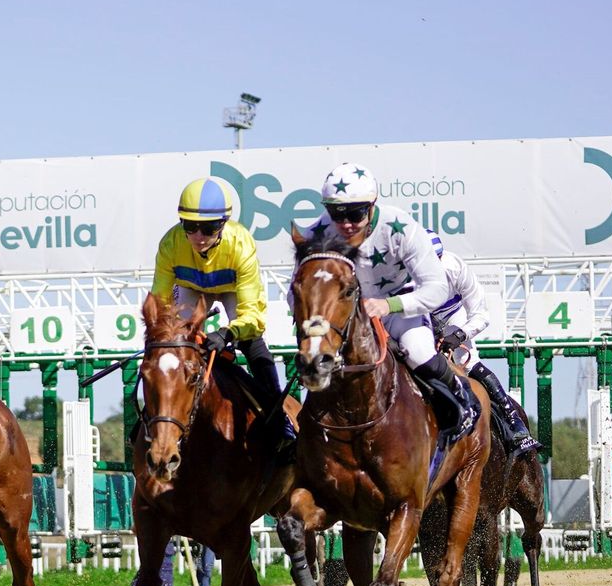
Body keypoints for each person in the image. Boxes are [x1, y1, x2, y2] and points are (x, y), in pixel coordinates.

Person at [306, 163, 475, 438]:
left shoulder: (402, 227)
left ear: (372, 205)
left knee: (419, 352)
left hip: (401, 308)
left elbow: (436, 288)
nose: (346, 223)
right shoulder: (319, 232)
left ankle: (461, 397)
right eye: (337, 213)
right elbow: (297, 285)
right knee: (314, 361)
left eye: (355, 213)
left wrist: (389, 305)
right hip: (350, 318)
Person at [151, 179, 296, 450]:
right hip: (192, 288)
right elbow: (160, 304)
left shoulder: (241, 244)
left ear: (223, 224)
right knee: (169, 346)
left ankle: (279, 419)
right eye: (190, 227)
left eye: (208, 228)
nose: (198, 236)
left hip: (230, 290)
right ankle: (153, 420)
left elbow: (253, 315)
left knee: (253, 343)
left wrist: (228, 333)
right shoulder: (170, 244)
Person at [427, 231, 542, 457]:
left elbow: (481, 315)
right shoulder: (403, 270)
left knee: (467, 362)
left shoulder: (456, 268)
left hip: (452, 317)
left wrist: (459, 335)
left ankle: (514, 422)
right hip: (420, 316)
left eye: (435, 261)